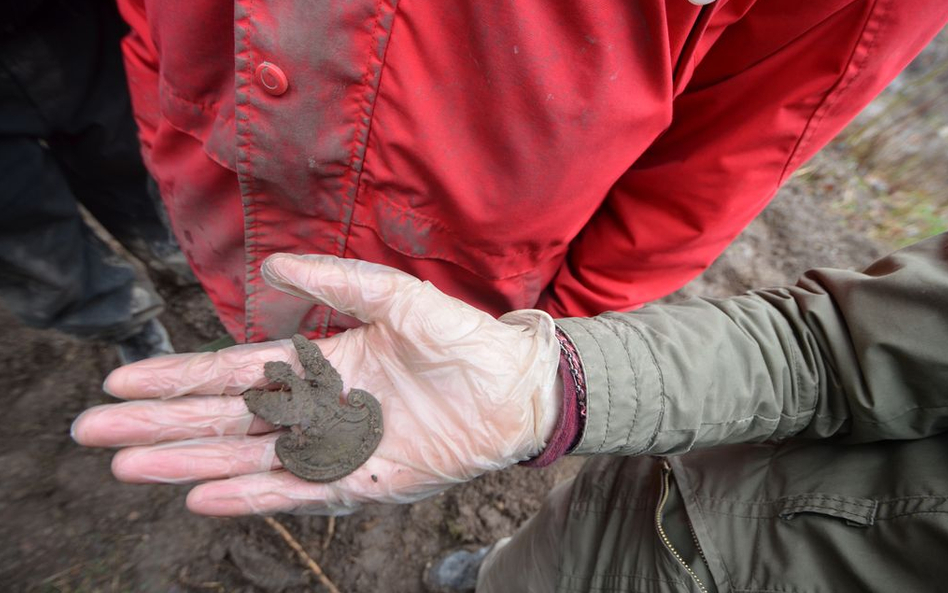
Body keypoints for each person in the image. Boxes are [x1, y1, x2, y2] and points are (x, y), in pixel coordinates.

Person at [72, 231, 948, 592]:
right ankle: (484, 574)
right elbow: (826, 345)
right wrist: (550, 385)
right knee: (530, 569)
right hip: (692, 515)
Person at [115, 0, 948, 343]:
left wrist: (556, 333)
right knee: (257, 337)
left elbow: (738, 143)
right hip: (226, 189)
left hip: (467, 283)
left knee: (379, 420)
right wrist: (164, 116)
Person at [0, 0, 191, 363]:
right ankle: (121, 320)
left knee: (125, 150)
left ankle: (174, 247)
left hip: (70, 22)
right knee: (22, 232)